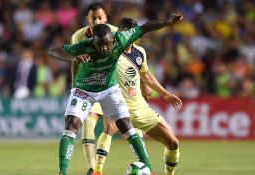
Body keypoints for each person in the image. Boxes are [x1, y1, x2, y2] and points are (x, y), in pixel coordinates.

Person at [48, 13, 183, 175]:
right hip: (84, 90)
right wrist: (73, 57)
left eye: (107, 44)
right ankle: (63, 171)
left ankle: (148, 169)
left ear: (113, 39)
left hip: (108, 90)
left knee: (126, 126)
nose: (104, 48)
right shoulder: (85, 45)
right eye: (100, 45)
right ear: (93, 42)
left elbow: (146, 27)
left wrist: (168, 22)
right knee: (71, 126)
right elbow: (53, 51)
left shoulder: (122, 39)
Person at [92, 17, 182, 175]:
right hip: (119, 106)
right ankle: (97, 171)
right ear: (119, 33)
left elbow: (145, 75)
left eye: (133, 34)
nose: (129, 37)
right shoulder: (110, 51)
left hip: (139, 107)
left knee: (173, 143)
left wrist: (165, 94)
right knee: (108, 127)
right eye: (126, 34)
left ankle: (169, 173)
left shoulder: (140, 52)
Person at [70, 3, 119, 175]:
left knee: (116, 126)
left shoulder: (116, 33)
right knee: (88, 122)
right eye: (94, 18)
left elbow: (123, 63)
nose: (97, 21)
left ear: (105, 17)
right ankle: (92, 169)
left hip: (111, 85)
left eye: (100, 17)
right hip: (90, 85)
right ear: (87, 19)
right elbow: (75, 62)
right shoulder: (78, 36)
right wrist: (74, 87)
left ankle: (143, 163)